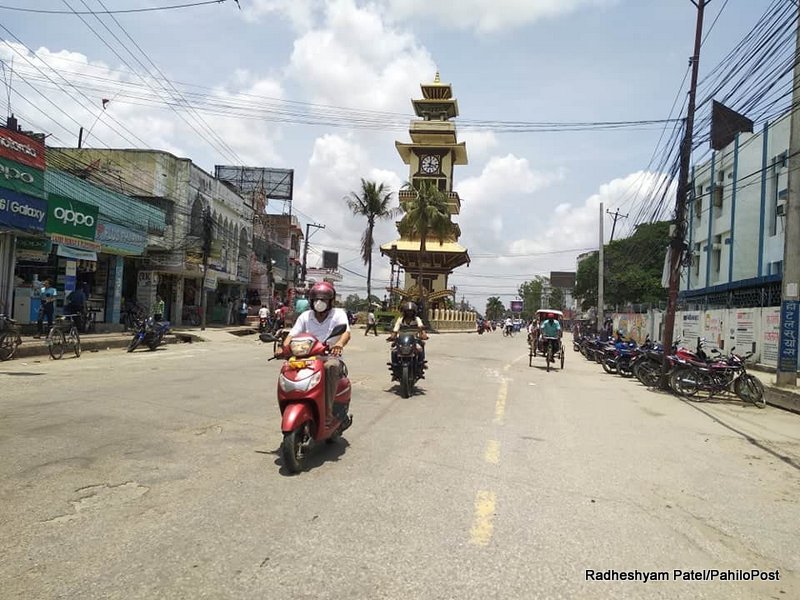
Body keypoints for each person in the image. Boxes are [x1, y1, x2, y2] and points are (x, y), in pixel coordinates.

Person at [281, 281, 351, 424]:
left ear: (330, 301)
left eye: (324, 299)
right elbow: (292, 334)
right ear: (311, 301)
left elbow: (346, 333)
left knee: (330, 367)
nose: (320, 302)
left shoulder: (338, 314)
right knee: (287, 368)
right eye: (316, 299)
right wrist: (284, 347)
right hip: (307, 358)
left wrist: (339, 344)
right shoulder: (305, 316)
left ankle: (328, 413)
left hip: (330, 356)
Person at [388, 301, 428, 377]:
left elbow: (421, 327)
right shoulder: (400, 319)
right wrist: (392, 336)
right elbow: (395, 329)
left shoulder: (417, 319)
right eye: (407, 311)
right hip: (401, 340)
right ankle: (395, 368)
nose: (409, 313)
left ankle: (420, 365)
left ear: (414, 312)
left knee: (420, 349)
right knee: (394, 351)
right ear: (404, 312)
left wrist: (423, 334)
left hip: (414, 340)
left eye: (411, 311)